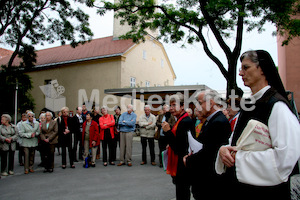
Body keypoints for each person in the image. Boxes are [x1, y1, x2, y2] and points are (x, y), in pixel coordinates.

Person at [216, 50, 300, 200]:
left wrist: (239, 159)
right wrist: (223, 150)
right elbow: (235, 141)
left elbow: (286, 157)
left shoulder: (277, 106)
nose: (241, 73)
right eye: (240, 69)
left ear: (261, 69)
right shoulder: (248, 105)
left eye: (246, 68)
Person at [182, 90, 231, 199]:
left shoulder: (217, 122)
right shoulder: (213, 120)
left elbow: (209, 153)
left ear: (211, 103)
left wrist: (189, 160)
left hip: (210, 183)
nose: (198, 107)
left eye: (200, 103)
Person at [162, 94, 194, 200]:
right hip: (180, 162)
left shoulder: (185, 121)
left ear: (182, 106)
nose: (171, 108)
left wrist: (168, 132)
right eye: (170, 105)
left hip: (182, 163)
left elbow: (179, 146)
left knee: (182, 192)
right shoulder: (180, 119)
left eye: (174, 105)